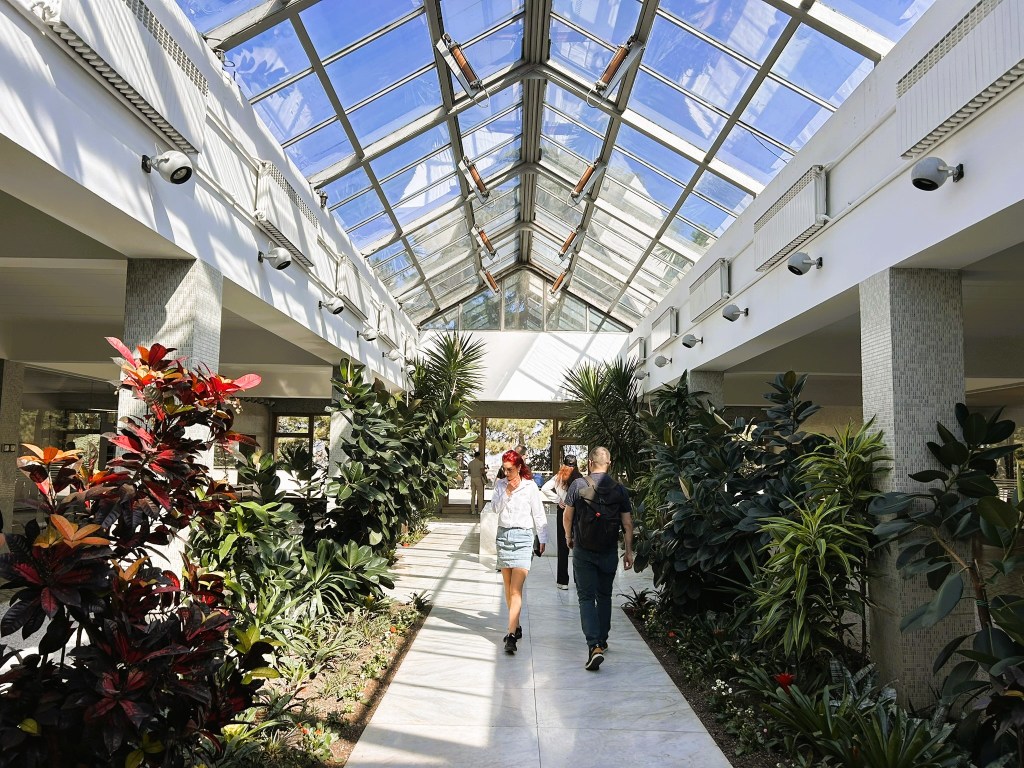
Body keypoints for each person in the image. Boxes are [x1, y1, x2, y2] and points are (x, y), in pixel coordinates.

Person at [563, 446, 633, 671]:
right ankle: (602, 639)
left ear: (590, 463)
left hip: (584, 549)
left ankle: (593, 646)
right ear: (609, 463)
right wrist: (629, 551)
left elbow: (567, 515)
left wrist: (568, 537)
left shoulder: (578, 485)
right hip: (608, 551)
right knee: (604, 596)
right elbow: (628, 525)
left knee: (585, 597)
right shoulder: (620, 490)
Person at [493, 449, 548, 655]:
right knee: (508, 589)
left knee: (516, 590)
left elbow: (539, 514)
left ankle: (511, 636)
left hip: (524, 538)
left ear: (518, 467)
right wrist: (506, 491)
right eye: (504, 469)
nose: (506, 473)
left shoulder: (530, 487)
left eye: (510, 469)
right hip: (504, 537)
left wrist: (542, 538)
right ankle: (515, 624)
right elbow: (495, 509)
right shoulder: (500, 485)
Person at [541, 454, 583, 591]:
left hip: (563, 511)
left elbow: (545, 488)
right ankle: (578, 580)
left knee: (562, 546)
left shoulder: (558, 477)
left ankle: (562, 581)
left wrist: (558, 499)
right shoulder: (579, 477)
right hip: (577, 512)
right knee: (577, 545)